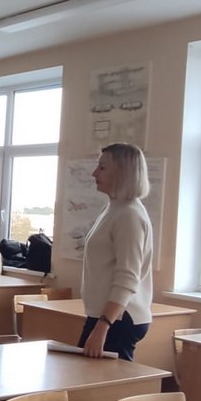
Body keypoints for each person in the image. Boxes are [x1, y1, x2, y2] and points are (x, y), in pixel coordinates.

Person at [78, 143, 153, 361]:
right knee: (85, 373)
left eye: (102, 168)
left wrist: (103, 326)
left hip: (118, 318)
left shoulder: (129, 214)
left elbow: (128, 277)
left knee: (98, 378)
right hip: (107, 316)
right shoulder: (114, 208)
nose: (94, 173)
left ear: (122, 172)